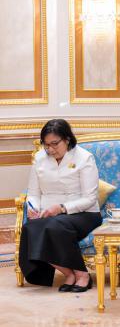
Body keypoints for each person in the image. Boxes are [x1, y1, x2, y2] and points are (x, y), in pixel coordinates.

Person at [19, 119, 102, 292]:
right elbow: (33, 193)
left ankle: (82, 275)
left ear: (67, 139)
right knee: (30, 228)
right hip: (49, 214)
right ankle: (68, 274)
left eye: (55, 144)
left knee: (54, 226)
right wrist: (33, 208)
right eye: (46, 144)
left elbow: (90, 198)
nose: (50, 149)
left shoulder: (84, 158)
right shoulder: (40, 158)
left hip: (84, 213)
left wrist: (62, 208)